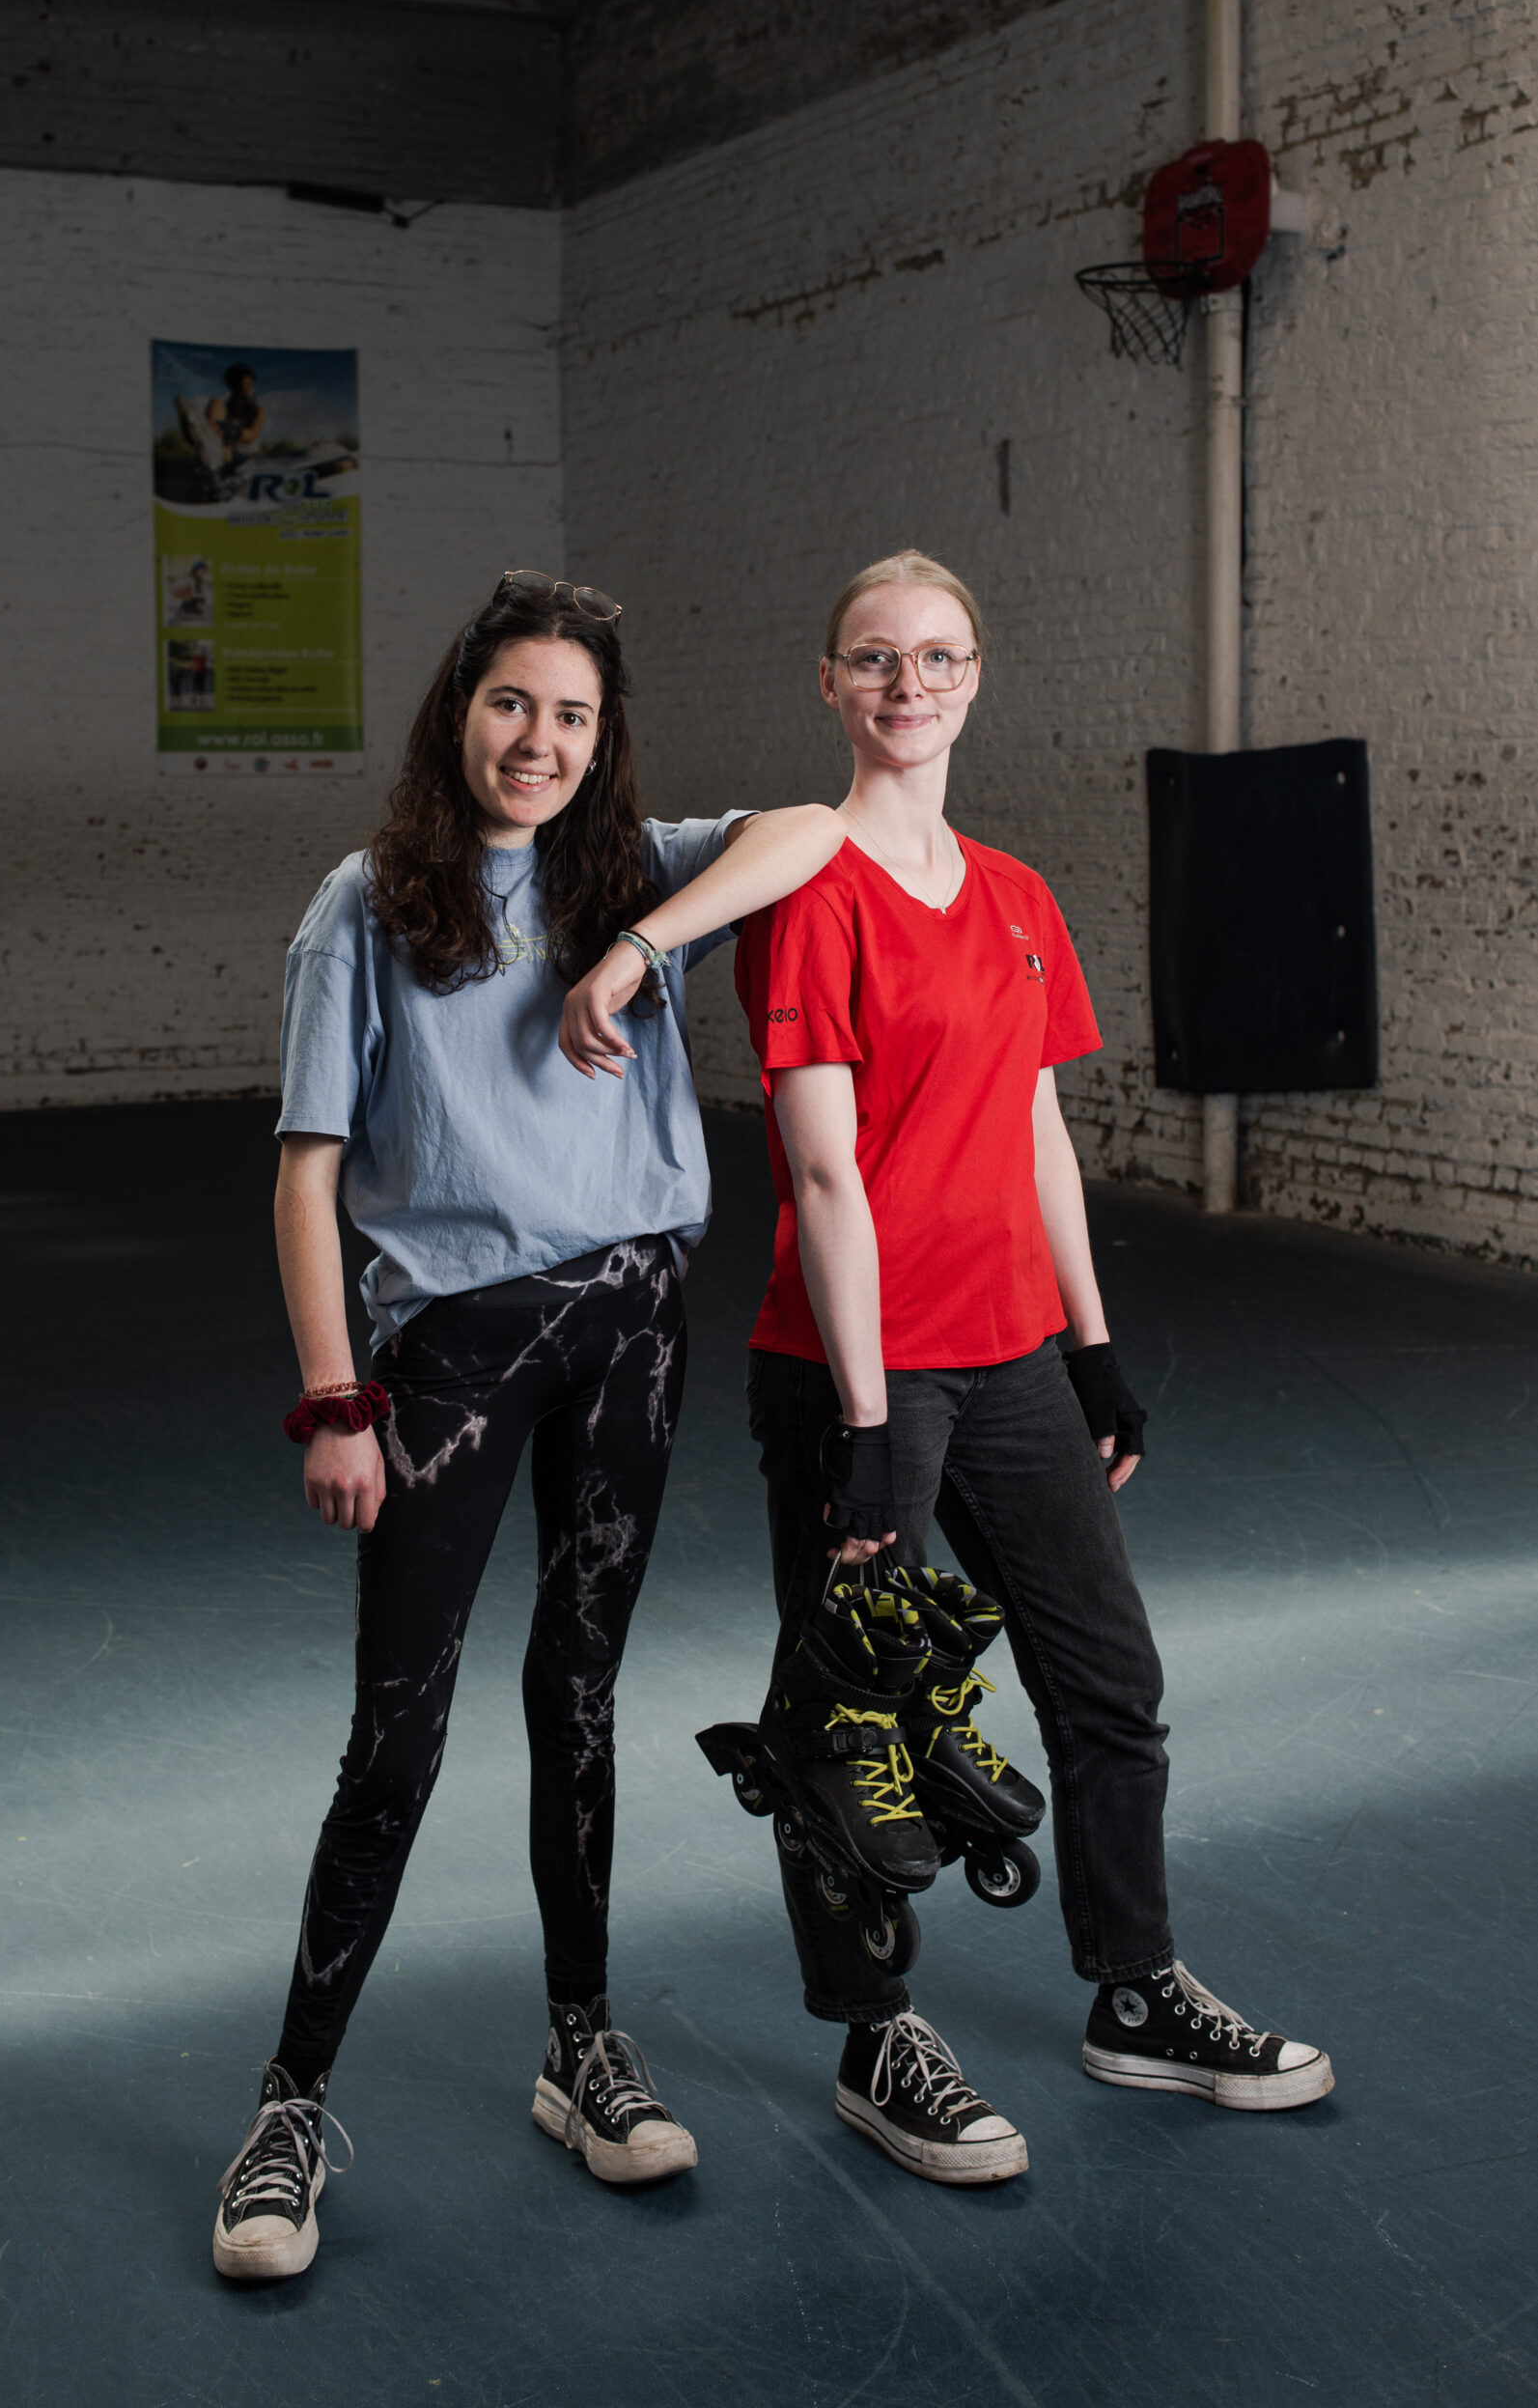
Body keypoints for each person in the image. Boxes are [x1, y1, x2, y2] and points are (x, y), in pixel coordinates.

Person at [211, 568, 846, 2280]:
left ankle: (582, 2041)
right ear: (458, 711)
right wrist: (339, 1400)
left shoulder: (629, 872)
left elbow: (811, 829)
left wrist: (639, 949)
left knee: (579, 1696)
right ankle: (289, 2105)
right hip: (453, 1352)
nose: (539, 740)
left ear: (601, 738)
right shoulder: (365, 903)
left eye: (572, 715)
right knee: (396, 1734)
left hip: (633, 1321)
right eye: (512, 704)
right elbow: (307, 1172)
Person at [733, 548, 1333, 2186]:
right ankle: (875, 2033)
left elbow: (1036, 1129)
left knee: (1106, 1687)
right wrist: (866, 1425)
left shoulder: (1013, 894)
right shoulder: (806, 895)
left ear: (977, 675)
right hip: (857, 1369)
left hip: (1009, 1356)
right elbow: (824, 1176)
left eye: (935, 656)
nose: (906, 685)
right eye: (873, 659)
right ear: (831, 685)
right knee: (856, 1720)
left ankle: (1132, 1992)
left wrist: (1092, 1344)